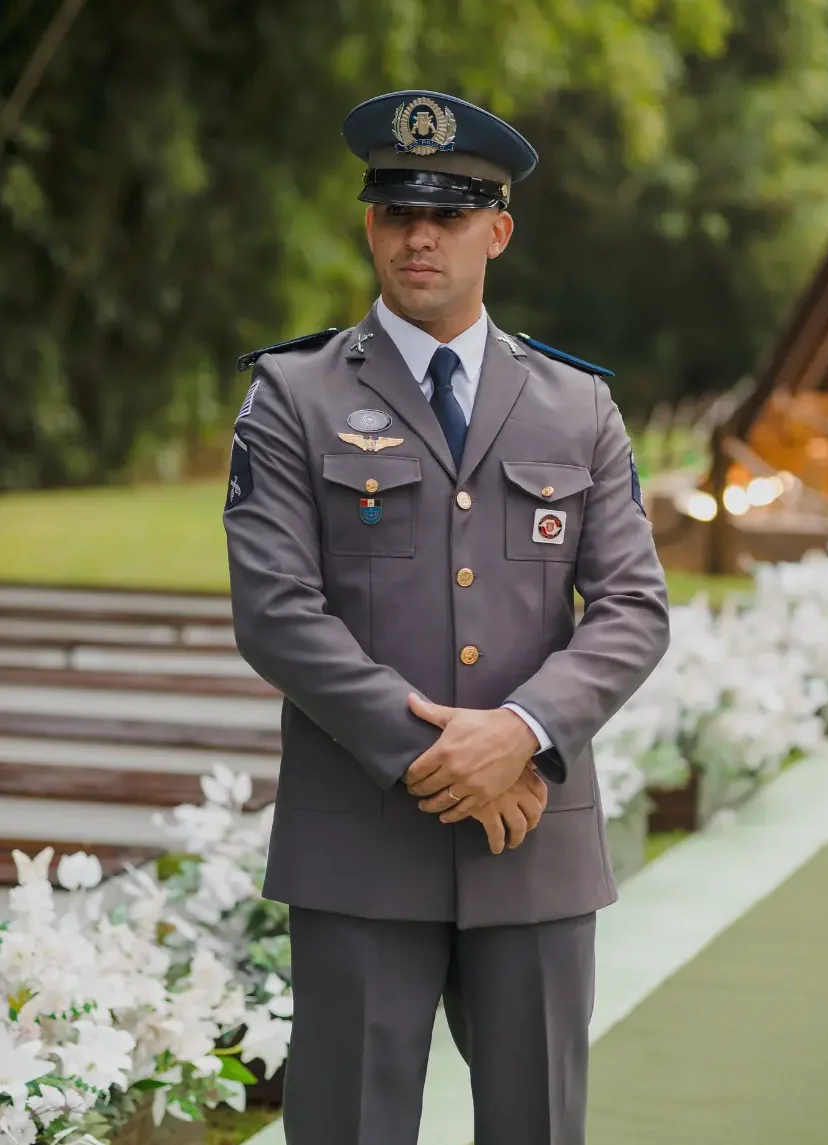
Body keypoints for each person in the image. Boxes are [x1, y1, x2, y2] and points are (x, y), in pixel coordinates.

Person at [223, 88, 670, 1145]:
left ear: (497, 231)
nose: (419, 234)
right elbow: (277, 611)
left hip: (533, 837)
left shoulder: (577, 404)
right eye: (395, 210)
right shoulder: (292, 396)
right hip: (363, 847)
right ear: (368, 222)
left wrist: (517, 734)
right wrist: (443, 758)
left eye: (453, 211)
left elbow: (631, 603)